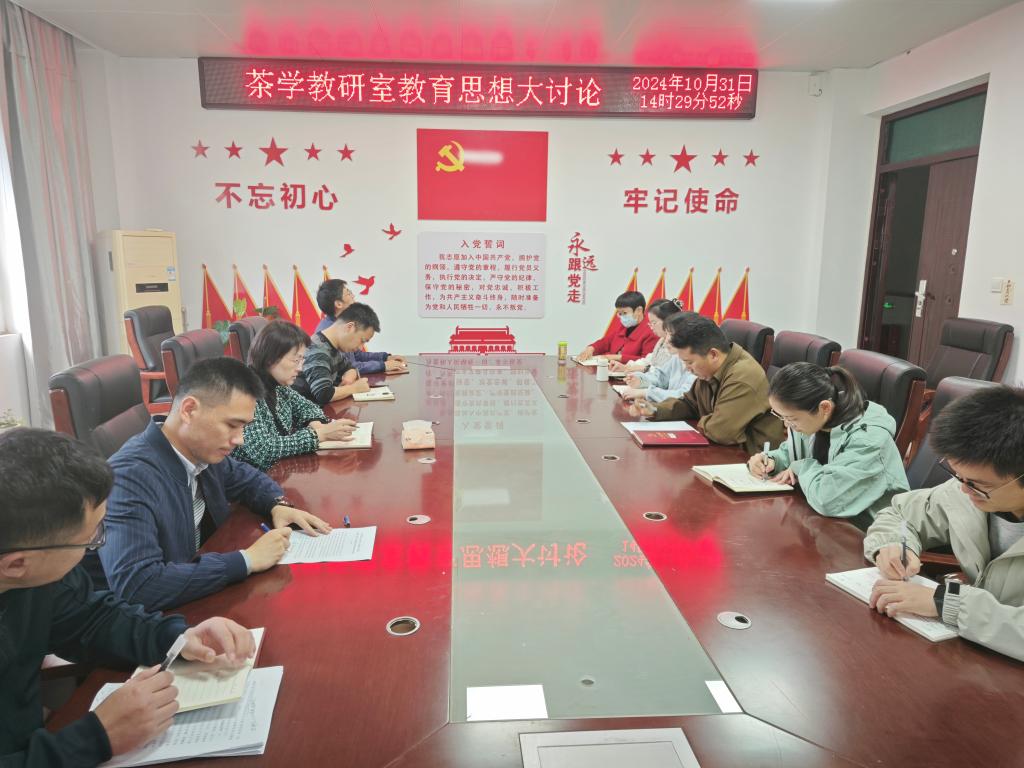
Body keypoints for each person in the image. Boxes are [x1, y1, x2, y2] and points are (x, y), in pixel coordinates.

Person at [0, 428, 256, 767]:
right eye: (90, 538)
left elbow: (91, 620)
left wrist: (176, 639)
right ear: (16, 564)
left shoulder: (37, 573)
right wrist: (98, 737)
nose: (97, 544)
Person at [97, 357, 332, 611]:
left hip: (200, 592)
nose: (240, 440)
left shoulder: (200, 451)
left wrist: (277, 505)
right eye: (232, 425)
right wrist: (246, 561)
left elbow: (248, 479)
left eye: (244, 427)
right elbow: (138, 586)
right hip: (154, 621)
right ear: (189, 410)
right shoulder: (128, 478)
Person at [863, 385, 1024, 662]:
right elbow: (899, 513)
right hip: (974, 653)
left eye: (979, 485)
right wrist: (892, 544)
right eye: (957, 475)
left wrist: (947, 603)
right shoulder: (966, 491)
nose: (964, 489)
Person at [747, 363, 908, 526]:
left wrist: (800, 467)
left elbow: (827, 500)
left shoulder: (868, 439)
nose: (787, 425)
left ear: (824, 407)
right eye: (782, 417)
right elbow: (791, 453)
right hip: (821, 521)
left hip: (870, 531)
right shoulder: (814, 421)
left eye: (791, 418)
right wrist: (772, 461)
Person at [633, 314, 785, 452]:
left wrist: (705, 420)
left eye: (689, 362)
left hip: (751, 459)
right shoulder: (710, 370)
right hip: (723, 450)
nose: (686, 368)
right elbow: (690, 404)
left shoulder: (743, 376)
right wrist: (655, 410)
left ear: (713, 355)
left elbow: (721, 432)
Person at [233, 321, 358, 471]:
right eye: (295, 360)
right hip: (249, 478)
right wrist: (318, 435)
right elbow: (263, 450)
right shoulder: (246, 391)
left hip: (278, 471)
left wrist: (316, 424)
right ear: (270, 359)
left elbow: (307, 406)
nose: (300, 368)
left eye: (302, 360)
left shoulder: (278, 385)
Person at [293, 302, 381, 405]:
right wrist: (354, 388)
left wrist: (351, 373)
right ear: (350, 327)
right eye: (362, 340)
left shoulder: (332, 346)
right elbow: (323, 394)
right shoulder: (317, 349)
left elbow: (349, 367)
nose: (360, 347)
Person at [314, 279, 405, 374]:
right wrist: (382, 365)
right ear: (338, 304)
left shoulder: (343, 324)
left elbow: (356, 356)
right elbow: (347, 368)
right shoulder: (329, 334)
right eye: (348, 293)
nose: (353, 296)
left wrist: (385, 357)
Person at [617, 305, 697, 404]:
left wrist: (646, 393)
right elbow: (661, 377)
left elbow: (684, 395)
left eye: (671, 335)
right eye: (667, 334)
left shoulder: (697, 364)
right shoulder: (676, 357)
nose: (667, 340)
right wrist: (641, 380)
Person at [575, 290, 657, 364]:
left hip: (631, 373)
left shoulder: (652, 331)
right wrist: (591, 348)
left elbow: (647, 361)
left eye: (624, 313)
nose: (621, 317)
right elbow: (606, 342)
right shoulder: (625, 326)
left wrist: (616, 358)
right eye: (619, 313)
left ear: (639, 310)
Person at [608, 298, 679, 374]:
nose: (651, 327)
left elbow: (664, 372)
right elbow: (649, 360)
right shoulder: (662, 340)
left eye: (654, 323)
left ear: (668, 321)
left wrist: (641, 369)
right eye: (650, 323)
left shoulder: (677, 344)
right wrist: (625, 367)